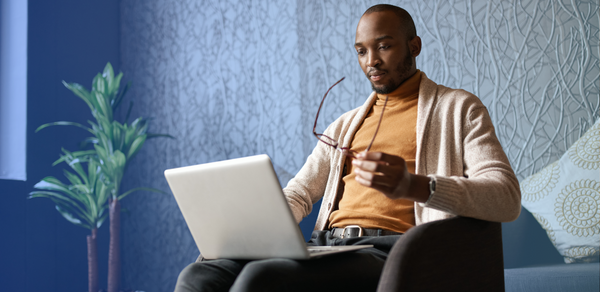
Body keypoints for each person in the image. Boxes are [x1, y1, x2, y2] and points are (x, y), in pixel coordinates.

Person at [175, 4, 521, 292]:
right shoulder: (344, 125)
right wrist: (254, 225)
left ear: (413, 46)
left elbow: (506, 197)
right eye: (361, 51)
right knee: (199, 276)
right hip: (326, 247)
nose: (372, 60)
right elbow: (299, 193)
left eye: (384, 46)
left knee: (261, 279)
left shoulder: (458, 108)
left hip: (391, 252)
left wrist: (412, 184)